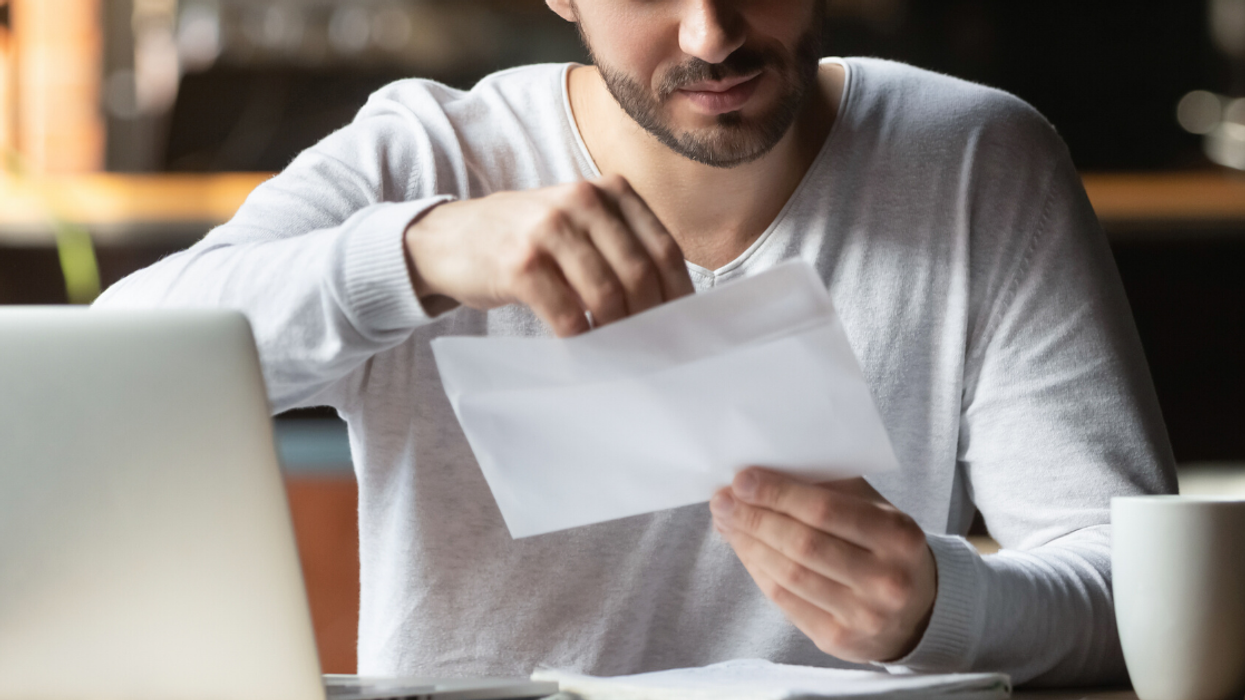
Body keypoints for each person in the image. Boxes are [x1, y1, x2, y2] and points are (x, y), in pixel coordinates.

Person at [95, 0, 1176, 686]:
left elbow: (1136, 592)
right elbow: (118, 375)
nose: (711, 35)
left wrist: (944, 606)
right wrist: (420, 250)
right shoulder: (429, 155)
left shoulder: (976, 161)